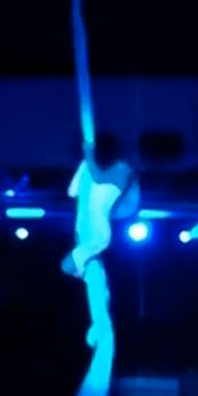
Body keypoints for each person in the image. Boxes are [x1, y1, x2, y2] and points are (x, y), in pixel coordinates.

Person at [61, 132, 140, 347]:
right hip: (86, 234)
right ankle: (99, 324)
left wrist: (88, 156)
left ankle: (99, 324)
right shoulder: (90, 170)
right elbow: (71, 192)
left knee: (73, 269)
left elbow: (99, 178)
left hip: (96, 234)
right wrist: (83, 163)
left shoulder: (122, 171)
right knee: (94, 281)